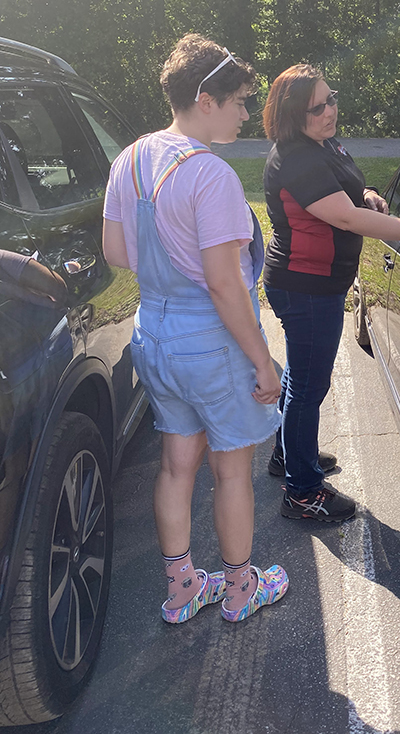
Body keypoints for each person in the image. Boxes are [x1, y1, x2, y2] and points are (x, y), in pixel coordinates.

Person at [102, 34, 288, 624]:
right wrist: (262, 362)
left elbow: (116, 253)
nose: (245, 113)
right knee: (231, 469)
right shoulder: (211, 175)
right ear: (206, 100)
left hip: (154, 335)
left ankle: (182, 589)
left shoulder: (130, 159)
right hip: (212, 343)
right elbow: (224, 286)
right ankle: (240, 588)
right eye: (239, 101)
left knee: (175, 464)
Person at [262, 65, 400, 522]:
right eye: (317, 108)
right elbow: (346, 218)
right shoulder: (297, 158)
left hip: (316, 284)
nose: (330, 111)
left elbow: (349, 192)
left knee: (300, 378)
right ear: (293, 115)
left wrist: (367, 192)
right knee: (309, 386)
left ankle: (290, 455)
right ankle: (302, 492)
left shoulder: (322, 144)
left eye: (331, 99)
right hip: (306, 287)